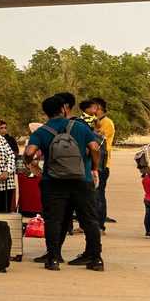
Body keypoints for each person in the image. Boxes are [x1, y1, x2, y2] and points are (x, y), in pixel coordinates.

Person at [23, 95, 104, 271]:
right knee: (89, 219)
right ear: (64, 108)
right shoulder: (80, 127)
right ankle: (96, 258)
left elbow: (29, 151)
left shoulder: (41, 132)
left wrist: (31, 164)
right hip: (82, 180)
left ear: (46, 112)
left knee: (53, 220)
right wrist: (94, 168)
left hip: (53, 181)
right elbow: (95, 148)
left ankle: (53, 258)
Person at [82, 98, 117, 226]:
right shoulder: (95, 122)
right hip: (93, 163)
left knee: (98, 194)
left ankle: (99, 224)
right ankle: (89, 223)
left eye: (93, 108)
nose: (91, 111)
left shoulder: (106, 123)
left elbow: (100, 142)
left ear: (98, 108)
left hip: (101, 164)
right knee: (91, 195)